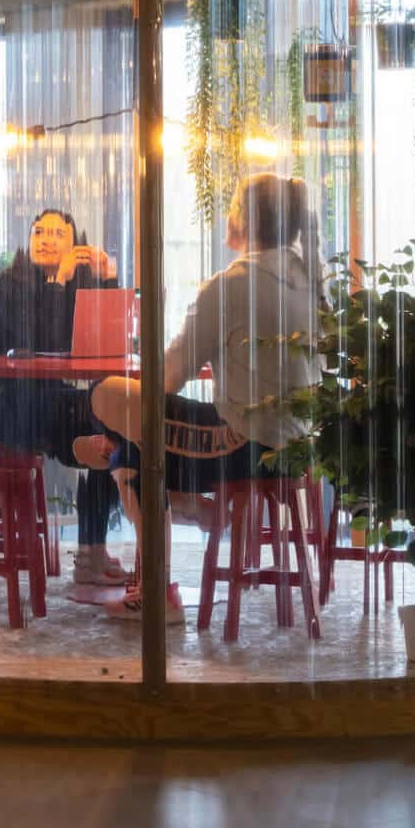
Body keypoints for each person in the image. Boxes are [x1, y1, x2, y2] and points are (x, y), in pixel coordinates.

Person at [74, 173, 322, 620]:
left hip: (244, 447)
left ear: (245, 219)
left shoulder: (229, 285)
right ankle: (192, 513)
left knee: (108, 396)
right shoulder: (307, 280)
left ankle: (159, 588)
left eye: (230, 203)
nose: (226, 213)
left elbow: (169, 378)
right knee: (132, 443)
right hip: (295, 448)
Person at [0, 208, 126, 586]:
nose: (45, 238)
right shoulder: (9, 285)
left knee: (115, 428)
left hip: (51, 400)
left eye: (58, 233)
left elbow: (107, 341)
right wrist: (59, 281)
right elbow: (38, 346)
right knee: (98, 427)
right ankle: (91, 554)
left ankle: (91, 551)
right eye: (39, 231)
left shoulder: (79, 283)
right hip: (10, 404)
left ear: (74, 242)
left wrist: (108, 281)